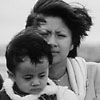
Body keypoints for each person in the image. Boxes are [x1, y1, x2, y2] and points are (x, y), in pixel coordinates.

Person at [25, 0, 100, 100]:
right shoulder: (19, 83)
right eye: (44, 34)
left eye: (61, 35)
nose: (51, 42)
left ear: (72, 43)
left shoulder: (95, 74)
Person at [0, 27, 77, 100]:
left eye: (42, 76)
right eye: (28, 78)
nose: (36, 83)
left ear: (48, 68)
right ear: (12, 76)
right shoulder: (5, 97)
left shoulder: (57, 95)